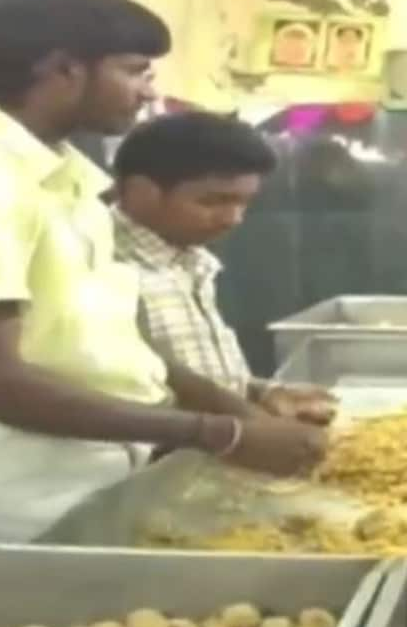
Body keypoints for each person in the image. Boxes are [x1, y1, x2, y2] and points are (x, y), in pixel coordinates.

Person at [0, 0, 327, 544]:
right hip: (14, 482)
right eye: (135, 71)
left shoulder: (62, 180)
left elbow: (114, 350)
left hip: (93, 465)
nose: (147, 93)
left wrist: (243, 416)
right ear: (63, 70)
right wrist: (217, 432)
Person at [111, 111, 335, 421]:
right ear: (142, 192)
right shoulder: (100, 262)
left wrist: (262, 392)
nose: (233, 219)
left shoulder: (192, 261)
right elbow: (125, 385)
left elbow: (200, 375)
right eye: (213, 201)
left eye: (244, 203)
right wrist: (241, 426)